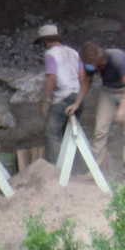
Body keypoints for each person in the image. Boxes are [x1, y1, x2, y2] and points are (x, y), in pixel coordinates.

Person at [65, 42, 125, 184]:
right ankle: (95, 170)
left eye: (99, 68)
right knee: (100, 130)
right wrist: (77, 103)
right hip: (109, 92)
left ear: (101, 61)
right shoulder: (90, 63)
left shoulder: (117, 59)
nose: (97, 72)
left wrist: (123, 108)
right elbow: (86, 82)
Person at [36, 24, 81, 163]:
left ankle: (55, 170)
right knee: (71, 134)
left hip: (62, 99)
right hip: (77, 96)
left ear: (45, 41)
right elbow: (82, 75)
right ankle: (75, 166)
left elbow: (51, 78)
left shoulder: (50, 54)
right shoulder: (73, 52)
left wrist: (44, 101)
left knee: (52, 134)